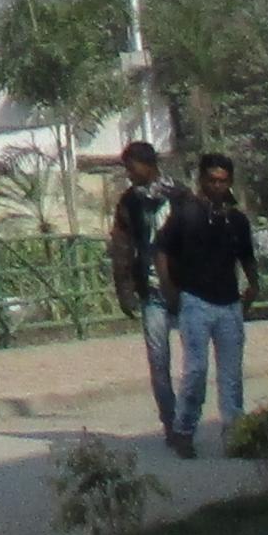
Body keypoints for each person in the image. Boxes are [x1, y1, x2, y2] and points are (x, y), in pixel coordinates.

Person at [154, 153, 259, 458]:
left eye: (222, 181)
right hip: (195, 301)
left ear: (230, 182)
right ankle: (184, 430)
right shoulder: (186, 214)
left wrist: (254, 285)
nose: (217, 186)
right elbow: (161, 249)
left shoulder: (236, 220)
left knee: (231, 376)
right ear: (201, 180)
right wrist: (168, 287)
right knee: (196, 370)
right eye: (211, 180)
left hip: (229, 304)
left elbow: (247, 256)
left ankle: (236, 435)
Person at [103, 139, 180, 437]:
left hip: (186, 289)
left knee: (196, 362)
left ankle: (187, 418)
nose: (129, 175)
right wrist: (125, 289)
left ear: (149, 165)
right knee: (158, 362)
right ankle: (171, 423)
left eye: (132, 168)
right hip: (152, 292)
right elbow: (121, 246)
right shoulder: (129, 202)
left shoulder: (179, 195)